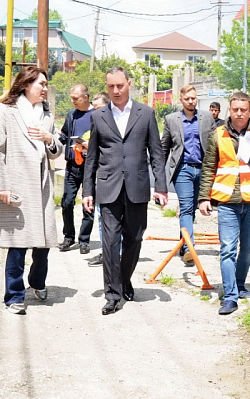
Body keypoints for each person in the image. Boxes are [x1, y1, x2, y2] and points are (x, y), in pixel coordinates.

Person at [82, 67, 168, 315]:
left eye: (120, 86)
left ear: (129, 84)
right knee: (109, 242)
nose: (116, 91)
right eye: (111, 87)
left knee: (135, 238)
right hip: (108, 187)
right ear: (107, 87)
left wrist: (160, 187)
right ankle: (112, 294)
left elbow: (156, 153)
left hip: (137, 187)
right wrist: (88, 190)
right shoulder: (98, 116)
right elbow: (92, 157)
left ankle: (124, 278)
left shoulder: (146, 113)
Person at [0, 66, 63, 315]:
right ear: (26, 84)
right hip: (16, 184)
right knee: (17, 245)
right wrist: (1, 188)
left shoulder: (47, 115)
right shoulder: (4, 111)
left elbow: (56, 150)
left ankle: (38, 282)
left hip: (41, 186)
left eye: (46, 83)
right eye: (41, 83)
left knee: (43, 244)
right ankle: (14, 296)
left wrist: (49, 139)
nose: (45, 88)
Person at [198, 92, 250, 315]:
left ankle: (239, 282)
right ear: (229, 110)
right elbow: (208, 168)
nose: (239, 113)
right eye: (235, 109)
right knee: (227, 249)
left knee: (249, 249)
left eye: (243, 109)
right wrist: (204, 198)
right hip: (227, 201)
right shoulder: (218, 134)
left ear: (249, 111)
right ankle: (230, 296)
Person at [161, 85, 215, 264]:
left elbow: (216, 145)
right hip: (182, 169)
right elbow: (164, 148)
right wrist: (159, 173)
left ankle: (183, 243)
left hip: (203, 169)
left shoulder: (207, 117)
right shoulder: (171, 120)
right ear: (181, 100)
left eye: (193, 98)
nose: (191, 101)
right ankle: (190, 248)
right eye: (187, 99)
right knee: (186, 207)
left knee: (192, 209)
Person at [58, 84, 95, 254]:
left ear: (86, 97)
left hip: (90, 167)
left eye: (76, 98)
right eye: (71, 97)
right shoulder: (71, 115)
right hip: (72, 166)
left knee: (88, 205)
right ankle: (68, 237)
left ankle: (84, 240)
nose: (72, 101)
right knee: (66, 202)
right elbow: (64, 135)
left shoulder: (97, 115)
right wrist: (53, 141)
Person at [86, 92, 110, 267]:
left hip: (118, 177)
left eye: (99, 109)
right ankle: (107, 252)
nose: (96, 114)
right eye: (93, 110)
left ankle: (120, 252)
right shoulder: (96, 123)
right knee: (102, 216)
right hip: (101, 177)